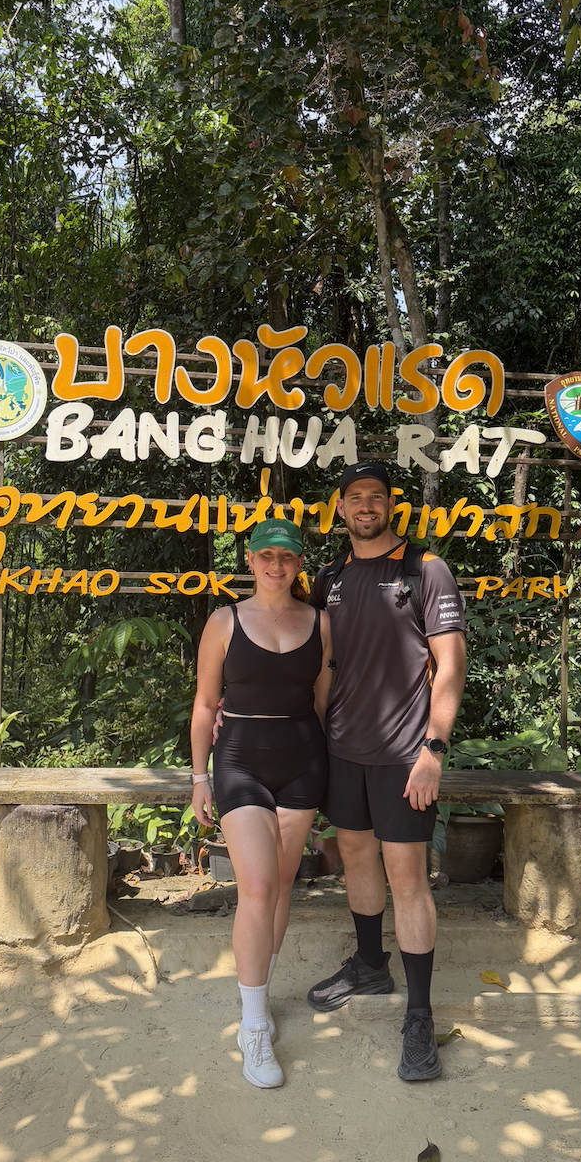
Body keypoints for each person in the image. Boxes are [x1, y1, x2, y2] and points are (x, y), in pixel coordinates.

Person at [306, 461, 466, 1081]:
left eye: (376, 496)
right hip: (343, 751)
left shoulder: (425, 570)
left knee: (408, 878)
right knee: (354, 856)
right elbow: (324, 665)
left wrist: (433, 751)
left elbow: (449, 665)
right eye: (355, 497)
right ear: (340, 508)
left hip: (406, 757)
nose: (366, 505)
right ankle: (371, 965)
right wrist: (313, 738)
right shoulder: (330, 578)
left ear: (391, 505)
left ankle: (419, 1016)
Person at [190, 518, 332, 1090]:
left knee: (281, 884)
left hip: (302, 760)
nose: (277, 565)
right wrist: (199, 777)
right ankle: (252, 1027)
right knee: (256, 885)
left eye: (288, 557)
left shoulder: (321, 623)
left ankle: (261, 994)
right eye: (267, 555)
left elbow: (322, 704)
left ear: (299, 564)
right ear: (249, 560)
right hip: (240, 760)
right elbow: (205, 705)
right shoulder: (223, 621)